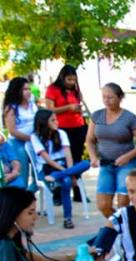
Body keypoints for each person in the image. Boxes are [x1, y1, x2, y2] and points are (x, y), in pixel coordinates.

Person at [87, 83, 136, 218]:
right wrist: (93, 157)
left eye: (110, 97)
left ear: (120, 98)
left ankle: (125, 230)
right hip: (106, 163)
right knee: (103, 205)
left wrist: (127, 156)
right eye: (104, 97)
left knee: (123, 204)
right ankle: (121, 226)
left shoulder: (129, 118)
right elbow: (90, 140)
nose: (106, 101)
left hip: (126, 164)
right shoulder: (97, 116)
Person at [31, 109, 90, 229]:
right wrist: (67, 174)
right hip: (48, 167)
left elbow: (68, 156)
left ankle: (57, 178)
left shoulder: (61, 133)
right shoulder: (35, 137)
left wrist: (70, 173)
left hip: (62, 167)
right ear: (44, 122)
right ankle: (68, 218)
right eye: (53, 120)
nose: (57, 122)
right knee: (67, 181)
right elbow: (47, 160)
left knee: (87, 163)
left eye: (56, 119)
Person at [45, 65, 87, 202]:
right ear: (62, 77)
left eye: (74, 80)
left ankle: (77, 191)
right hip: (61, 128)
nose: (71, 82)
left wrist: (78, 108)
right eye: (69, 79)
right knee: (61, 159)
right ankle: (58, 193)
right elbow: (50, 109)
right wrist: (68, 107)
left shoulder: (75, 90)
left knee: (77, 159)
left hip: (78, 126)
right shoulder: (53, 89)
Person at [2, 76, 37, 188]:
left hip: (34, 143)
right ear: (17, 91)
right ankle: (22, 201)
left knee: (39, 176)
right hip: (18, 144)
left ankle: (28, 197)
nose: (27, 92)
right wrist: (30, 138)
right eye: (24, 89)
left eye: (28, 89)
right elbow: (12, 131)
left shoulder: (32, 104)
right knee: (23, 177)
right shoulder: (11, 108)